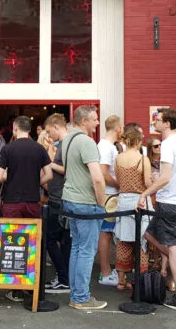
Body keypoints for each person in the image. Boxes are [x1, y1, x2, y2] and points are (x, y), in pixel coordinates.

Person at [137, 108, 176, 312]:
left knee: (172, 246)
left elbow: (165, 177)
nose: (154, 121)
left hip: (169, 202)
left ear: (168, 124)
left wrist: (145, 193)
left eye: (158, 120)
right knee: (149, 234)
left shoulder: (169, 144)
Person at [61, 104, 107, 310]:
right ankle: (80, 296)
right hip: (86, 202)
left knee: (78, 249)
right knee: (86, 251)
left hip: (70, 199)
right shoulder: (87, 142)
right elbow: (97, 178)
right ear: (83, 121)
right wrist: (101, 202)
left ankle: (76, 294)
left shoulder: (68, 139)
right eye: (94, 119)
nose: (98, 122)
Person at [113, 124, 152, 290]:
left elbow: (118, 181)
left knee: (123, 240)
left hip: (123, 201)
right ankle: (139, 277)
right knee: (141, 240)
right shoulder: (143, 159)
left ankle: (121, 279)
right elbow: (148, 183)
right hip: (139, 201)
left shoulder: (118, 158)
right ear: (138, 141)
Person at [0, 115, 53, 219]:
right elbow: (49, 175)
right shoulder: (39, 148)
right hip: (33, 201)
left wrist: (11, 178)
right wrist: (35, 182)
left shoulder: (7, 149)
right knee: (32, 234)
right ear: (29, 129)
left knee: (11, 234)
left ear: (15, 127)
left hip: (11, 202)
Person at [42, 113, 71, 293]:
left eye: (48, 131)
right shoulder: (62, 144)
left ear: (55, 126)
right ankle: (64, 277)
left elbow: (68, 170)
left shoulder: (66, 143)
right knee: (64, 240)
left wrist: (49, 163)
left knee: (50, 239)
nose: (48, 134)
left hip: (59, 199)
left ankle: (63, 277)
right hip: (59, 197)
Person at [96, 115, 122, 286]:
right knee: (105, 233)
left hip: (110, 195)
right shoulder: (106, 147)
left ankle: (106, 271)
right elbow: (104, 174)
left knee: (107, 232)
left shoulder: (106, 145)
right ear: (117, 128)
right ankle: (105, 272)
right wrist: (121, 185)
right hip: (109, 196)